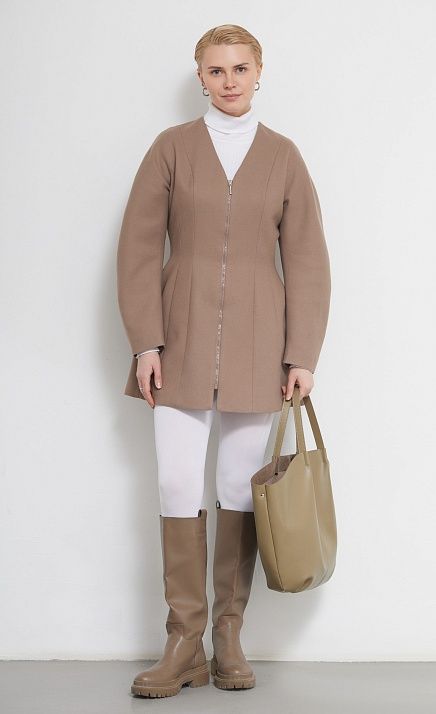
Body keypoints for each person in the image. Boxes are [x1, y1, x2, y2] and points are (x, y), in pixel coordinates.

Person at [117, 24, 331, 698]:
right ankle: (183, 641)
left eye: (240, 68)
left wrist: (302, 353)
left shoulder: (284, 156)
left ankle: (228, 636)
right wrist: (145, 342)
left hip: (260, 345)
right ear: (200, 77)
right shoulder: (171, 149)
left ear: (259, 72)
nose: (229, 80)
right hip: (177, 341)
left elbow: (307, 260)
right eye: (216, 70)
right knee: (178, 484)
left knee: (240, 488)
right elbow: (138, 249)